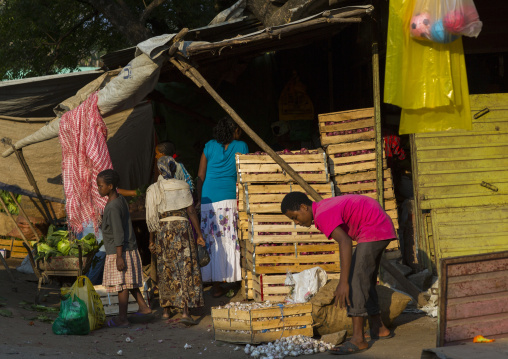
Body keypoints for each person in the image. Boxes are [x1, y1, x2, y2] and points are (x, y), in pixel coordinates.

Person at [280, 192, 396, 355]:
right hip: (378, 224)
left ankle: (358, 339)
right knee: (364, 280)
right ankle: (379, 328)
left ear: (303, 207)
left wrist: (343, 282)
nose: (296, 222)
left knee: (355, 282)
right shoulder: (322, 209)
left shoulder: (322, 214)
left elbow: (345, 241)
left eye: (295, 217)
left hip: (373, 227)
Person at [145, 156, 205, 324]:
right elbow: (191, 211)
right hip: (182, 230)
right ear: (174, 168)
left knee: (166, 269)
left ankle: (166, 310)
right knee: (185, 268)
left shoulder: (153, 189)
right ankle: (185, 312)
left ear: (159, 170)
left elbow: (151, 218)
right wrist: (199, 234)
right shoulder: (183, 186)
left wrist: (151, 240)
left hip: (163, 232)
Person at [196, 117, 248, 297]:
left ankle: (216, 285)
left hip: (208, 199)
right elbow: (244, 174)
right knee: (231, 238)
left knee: (212, 241)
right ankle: (234, 278)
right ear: (234, 131)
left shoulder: (209, 146)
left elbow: (200, 176)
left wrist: (198, 199)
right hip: (229, 198)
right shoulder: (241, 146)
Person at [96, 169, 152, 328]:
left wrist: (119, 256)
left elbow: (118, 232)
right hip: (127, 247)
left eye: (101, 186)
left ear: (111, 186)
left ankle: (122, 318)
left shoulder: (113, 206)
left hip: (120, 250)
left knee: (122, 285)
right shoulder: (120, 200)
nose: (99, 189)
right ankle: (143, 307)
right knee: (128, 282)